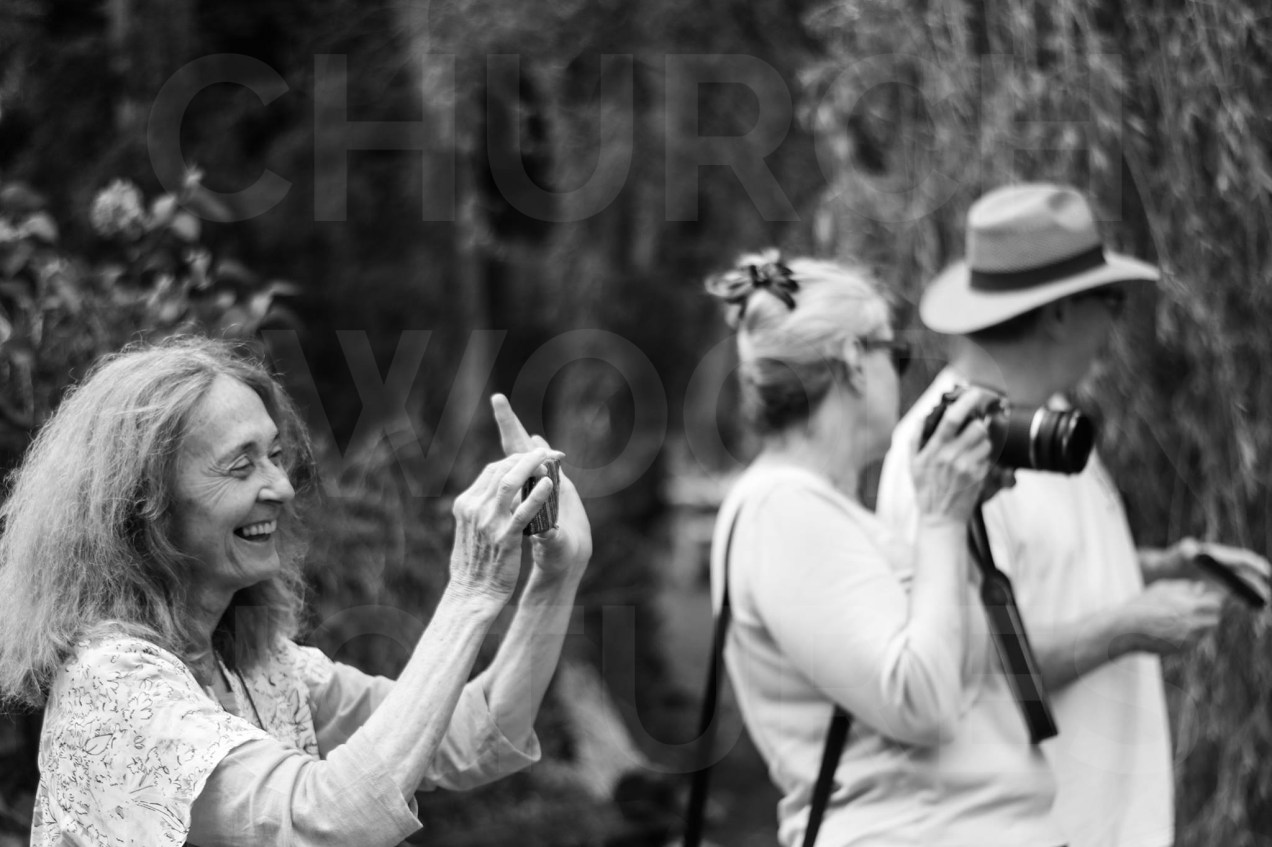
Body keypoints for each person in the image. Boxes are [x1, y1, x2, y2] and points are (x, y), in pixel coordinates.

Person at [0, 335, 593, 846]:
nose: (282, 487)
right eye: (241, 466)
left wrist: (554, 576)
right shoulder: (110, 687)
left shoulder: (259, 665)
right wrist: (468, 593)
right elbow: (329, 822)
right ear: (143, 506)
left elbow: (474, 736)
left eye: (276, 456)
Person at [877, 183, 1272, 847]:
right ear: (1059, 312)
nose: (1116, 328)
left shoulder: (1045, 427)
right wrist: (1128, 626)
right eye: (1111, 302)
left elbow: (1044, 575)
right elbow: (967, 672)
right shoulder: (942, 460)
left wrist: (1165, 566)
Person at [704, 251, 1065, 847]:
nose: (900, 375)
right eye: (894, 355)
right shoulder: (781, 510)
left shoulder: (821, 512)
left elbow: (947, 671)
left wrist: (957, 525)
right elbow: (920, 703)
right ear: (853, 361)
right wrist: (941, 518)